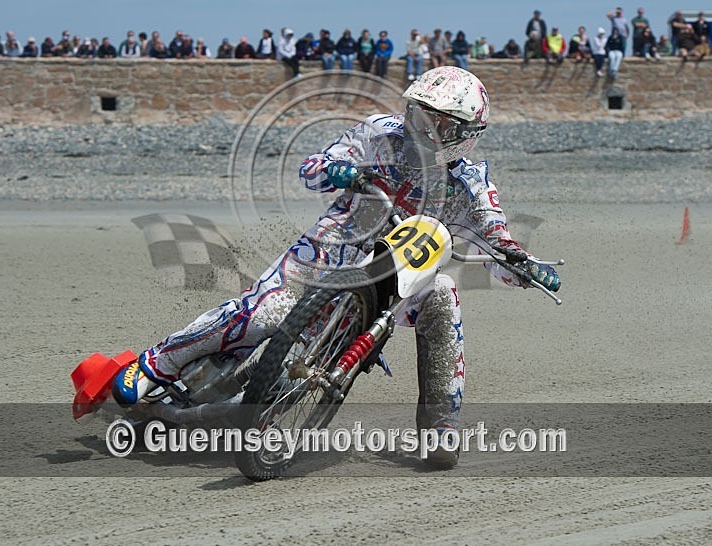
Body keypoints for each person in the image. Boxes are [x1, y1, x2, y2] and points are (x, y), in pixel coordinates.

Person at [111, 66, 561, 469]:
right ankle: (156, 363)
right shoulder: (380, 133)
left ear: (463, 132)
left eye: (434, 122)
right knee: (265, 312)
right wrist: (337, 169)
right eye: (417, 114)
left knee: (443, 291)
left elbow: (498, 242)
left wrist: (525, 265)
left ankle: (440, 426)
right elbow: (312, 169)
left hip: (396, 280)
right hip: (329, 248)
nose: (420, 127)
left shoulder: (471, 185)